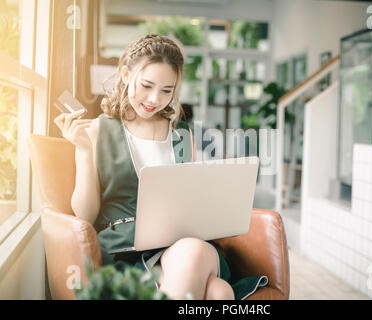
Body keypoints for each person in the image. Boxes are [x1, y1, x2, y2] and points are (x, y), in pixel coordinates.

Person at [54, 34, 267, 300]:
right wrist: (83, 150)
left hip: (183, 244)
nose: (154, 99)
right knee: (218, 292)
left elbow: (191, 203)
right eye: (146, 85)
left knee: (194, 254)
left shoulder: (182, 134)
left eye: (167, 90)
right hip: (126, 251)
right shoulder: (98, 130)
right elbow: (85, 215)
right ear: (125, 74)